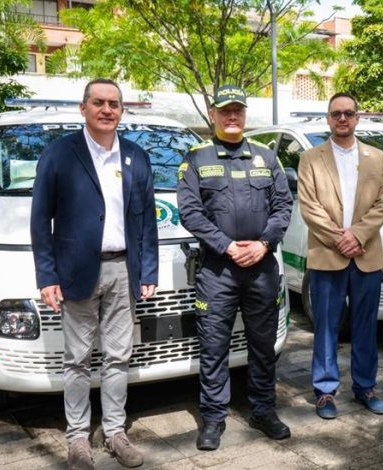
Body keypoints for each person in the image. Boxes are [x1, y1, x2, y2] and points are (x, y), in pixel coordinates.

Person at [31, 78, 158, 470]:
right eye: (99, 102)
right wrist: (46, 276)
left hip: (124, 270)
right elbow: (40, 221)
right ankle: (77, 439)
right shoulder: (59, 154)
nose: (107, 110)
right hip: (76, 272)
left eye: (114, 104)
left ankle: (116, 433)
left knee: (119, 356)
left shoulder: (136, 155)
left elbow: (147, 220)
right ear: (83, 108)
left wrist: (147, 269)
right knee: (77, 360)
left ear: (122, 110)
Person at [177, 85, 293, 451]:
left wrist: (262, 245)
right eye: (225, 110)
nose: (232, 117)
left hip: (261, 268)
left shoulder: (265, 157)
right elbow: (190, 212)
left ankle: (263, 409)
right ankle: (213, 418)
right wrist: (226, 245)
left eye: (238, 111)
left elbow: (283, 207)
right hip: (218, 271)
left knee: (263, 345)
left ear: (245, 115)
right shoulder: (196, 158)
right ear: (213, 114)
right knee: (214, 346)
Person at [296, 93, 383, 419]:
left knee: (366, 327)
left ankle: (365, 387)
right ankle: (325, 391)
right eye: (336, 113)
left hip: (366, 255)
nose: (342, 118)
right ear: (327, 118)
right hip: (327, 255)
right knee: (326, 327)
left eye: (348, 113)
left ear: (357, 117)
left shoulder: (376, 157)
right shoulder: (311, 158)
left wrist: (358, 235)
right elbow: (309, 207)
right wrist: (341, 239)